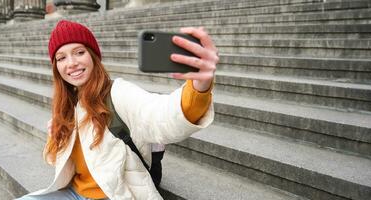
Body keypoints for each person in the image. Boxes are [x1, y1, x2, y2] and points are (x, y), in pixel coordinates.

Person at [16, 20, 219, 200]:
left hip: (116, 194)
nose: (72, 63)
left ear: (94, 56)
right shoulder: (67, 103)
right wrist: (55, 138)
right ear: (56, 67)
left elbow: (161, 116)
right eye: (61, 58)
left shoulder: (118, 92)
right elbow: (55, 160)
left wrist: (199, 85)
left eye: (79, 52)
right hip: (73, 192)